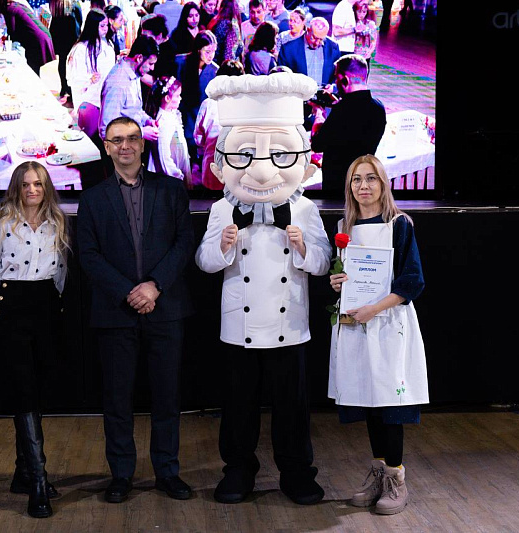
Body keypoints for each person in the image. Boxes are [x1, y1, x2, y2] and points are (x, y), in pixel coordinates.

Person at [195, 73, 331, 506]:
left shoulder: (305, 209)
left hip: (290, 324)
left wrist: (302, 247)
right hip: (240, 325)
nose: (261, 168)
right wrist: (223, 246)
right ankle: (238, 470)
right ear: (223, 163)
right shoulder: (222, 208)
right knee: (239, 406)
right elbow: (204, 261)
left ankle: (297, 472)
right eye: (244, 153)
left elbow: (323, 262)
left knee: (292, 407)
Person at [77, 116, 195, 504]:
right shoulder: (92, 198)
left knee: (167, 397)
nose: (125, 146)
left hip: (166, 307)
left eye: (131, 139)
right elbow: (88, 255)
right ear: (106, 147)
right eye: (117, 140)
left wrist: (154, 286)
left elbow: (184, 243)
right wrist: (130, 292)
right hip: (116, 311)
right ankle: (121, 475)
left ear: (143, 145)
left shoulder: (171, 189)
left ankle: (167, 472)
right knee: (117, 399)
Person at [328, 154, 428, 515]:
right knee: (368, 398)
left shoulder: (398, 225)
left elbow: (412, 281)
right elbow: (346, 276)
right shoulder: (345, 227)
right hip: (357, 325)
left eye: (371, 178)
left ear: (383, 183)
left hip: (388, 324)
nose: (364, 186)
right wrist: (337, 282)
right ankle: (379, 473)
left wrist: (375, 308)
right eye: (357, 179)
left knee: (389, 402)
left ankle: (396, 478)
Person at [0, 161, 70, 519]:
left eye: (39, 184)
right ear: (16, 187)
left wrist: (54, 305)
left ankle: (23, 472)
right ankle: (39, 481)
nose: (33, 190)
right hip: (11, 305)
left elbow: (60, 273)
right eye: (26, 184)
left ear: (47, 188)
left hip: (45, 306)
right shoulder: (0, 224)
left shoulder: (57, 224)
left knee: (38, 388)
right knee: (23, 388)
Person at [310, 54, 386, 193]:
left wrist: (319, 113)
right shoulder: (379, 107)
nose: (336, 83)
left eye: (337, 78)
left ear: (345, 79)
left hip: (337, 186)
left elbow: (317, 144)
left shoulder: (342, 111)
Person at [99, 35, 161, 143]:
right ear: (139, 58)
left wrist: (147, 120)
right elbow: (107, 129)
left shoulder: (134, 73)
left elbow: (133, 111)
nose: (152, 68)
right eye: (150, 64)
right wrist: (141, 132)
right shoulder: (118, 83)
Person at [193, 59, 244, 190]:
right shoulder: (246, 105)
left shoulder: (208, 103)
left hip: (212, 165)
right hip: (239, 168)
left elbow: (198, 137)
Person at [67, 9, 116, 139]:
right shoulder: (81, 48)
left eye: (107, 25)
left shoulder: (108, 44)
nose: (106, 29)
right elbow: (74, 78)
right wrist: (89, 79)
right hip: (89, 99)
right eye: (102, 26)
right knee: (89, 136)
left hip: (105, 95)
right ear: (93, 26)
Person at [175, 30, 218, 162]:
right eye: (207, 51)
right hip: (181, 115)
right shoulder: (180, 62)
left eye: (213, 51)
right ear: (198, 50)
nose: (211, 56)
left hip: (201, 120)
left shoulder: (214, 70)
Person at [145, 76, 191, 184]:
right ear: (167, 98)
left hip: (178, 164)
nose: (180, 99)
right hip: (170, 177)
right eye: (177, 96)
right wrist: (177, 176)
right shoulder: (163, 121)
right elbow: (164, 156)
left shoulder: (172, 115)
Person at [0, 0, 55, 74]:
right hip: (43, 35)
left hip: (38, 39)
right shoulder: (16, 5)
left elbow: (12, 33)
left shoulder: (10, 9)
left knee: (37, 70)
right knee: (37, 68)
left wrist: (4, 44)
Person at [278, 17, 341, 87]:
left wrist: (332, 87)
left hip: (324, 93)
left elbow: (338, 74)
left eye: (321, 39)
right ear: (308, 30)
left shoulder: (333, 47)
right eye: (314, 38)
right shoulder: (288, 49)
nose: (317, 43)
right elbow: (282, 77)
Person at [49, 0, 83, 103]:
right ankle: (73, 89)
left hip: (58, 33)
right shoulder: (73, 3)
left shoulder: (55, 3)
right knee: (74, 62)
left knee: (62, 60)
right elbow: (80, 19)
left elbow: (49, 15)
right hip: (71, 33)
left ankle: (63, 87)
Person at [208, 0, 244, 65]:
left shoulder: (215, 21)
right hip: (224, 68)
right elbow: (229, 57)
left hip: (212, 64)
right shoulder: (231, 26)